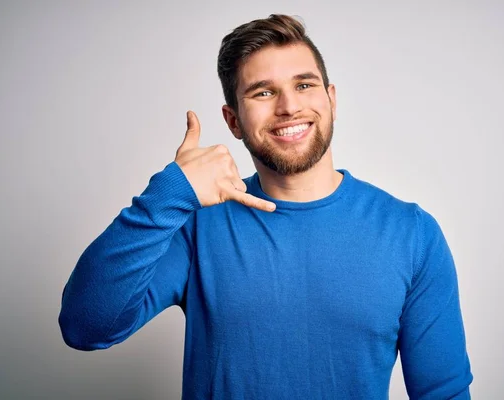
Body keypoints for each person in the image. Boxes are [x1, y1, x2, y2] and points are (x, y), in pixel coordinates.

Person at [59, 14, 473, 399]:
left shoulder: (411, 233)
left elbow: (444, 392)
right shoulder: (196, 225)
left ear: (331, 99)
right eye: (263, 92)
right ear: (234, 120)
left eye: (305, 85)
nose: (289, 106)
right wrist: (168, 194)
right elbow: (86, 326)